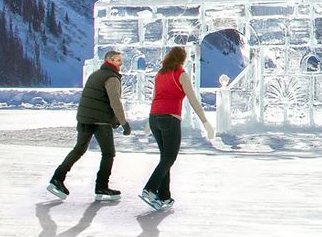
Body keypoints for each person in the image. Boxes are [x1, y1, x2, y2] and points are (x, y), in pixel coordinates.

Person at [49, 50, 131, 201]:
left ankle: (57, 178)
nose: (121, 63)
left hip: (85, 119)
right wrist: (123, 122)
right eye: (118, 60)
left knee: (79, 149)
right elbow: (115, 102)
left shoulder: (95, 75)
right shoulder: (111, 78)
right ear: (110, 60)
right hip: (100, 121)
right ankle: (101, 186)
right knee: (108, 154)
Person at [140, 46, 214, 210]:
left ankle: (164, 196)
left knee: (164, 157)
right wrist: (205, 122)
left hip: (154, 118)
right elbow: (193, 100)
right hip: (169, 118)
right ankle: (150, 189)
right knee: (169, 157)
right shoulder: (181, 75)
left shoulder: (160, 74)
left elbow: (154, 97)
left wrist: (148, 122)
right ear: (182, 59)